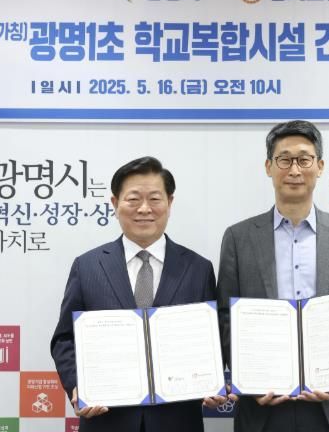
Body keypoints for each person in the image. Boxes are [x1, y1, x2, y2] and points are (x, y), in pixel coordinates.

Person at [217, 120, 329, 432]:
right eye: (284, 159)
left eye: (304, 159)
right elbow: (225, 316)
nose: (294, 170)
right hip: (264, 406)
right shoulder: (239, 238)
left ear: (319, 166)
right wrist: (250, 379)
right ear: (269, 167)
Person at [51, 156, 225, 432]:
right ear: (115, 203)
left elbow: (212, 338)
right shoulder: (87, 266)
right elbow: (64, 339)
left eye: (154, 199)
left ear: (170, 202)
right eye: (133, 199)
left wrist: (212, 381)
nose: (144, 209)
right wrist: (77, 386)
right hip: (106, 420)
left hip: (177, 421)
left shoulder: (198, 268)